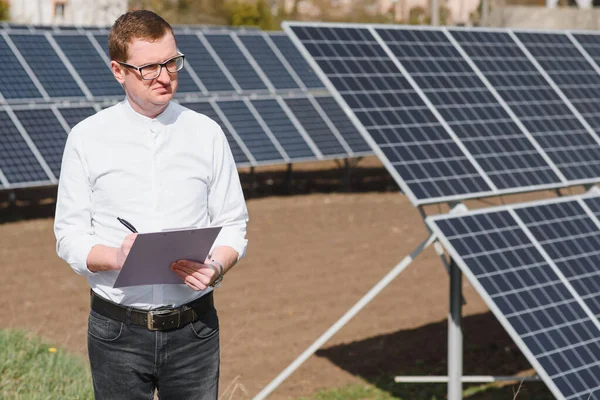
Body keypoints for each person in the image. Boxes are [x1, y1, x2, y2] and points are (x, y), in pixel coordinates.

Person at [53, 10, 248, 400]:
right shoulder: (87, 138)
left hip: (195, 329)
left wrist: (216, 266)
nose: (165, 76)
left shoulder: (207, 134)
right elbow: (68, 236)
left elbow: (233, 224)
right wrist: (116, 257)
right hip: (117, 332)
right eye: (149, 68)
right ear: (118, 71)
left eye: (171, 62)